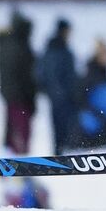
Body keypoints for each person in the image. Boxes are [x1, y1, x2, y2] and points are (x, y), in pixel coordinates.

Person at [0, 9, 36, 154]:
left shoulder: (10, 44)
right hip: (19, 96)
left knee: (13, 130)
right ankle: (18, 165)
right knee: (20, 132)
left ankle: (10, 162)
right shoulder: (16, 46)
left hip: (15, 95)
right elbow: (22, 73)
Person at [35, 18, 78, 154]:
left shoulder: (61, 48)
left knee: (65, 129)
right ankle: (59, 155)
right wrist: (58, 92)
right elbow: (46, 74)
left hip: (64, 97)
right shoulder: (56, 49)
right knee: (60, 128)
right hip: (60, 98)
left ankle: (63, 153)